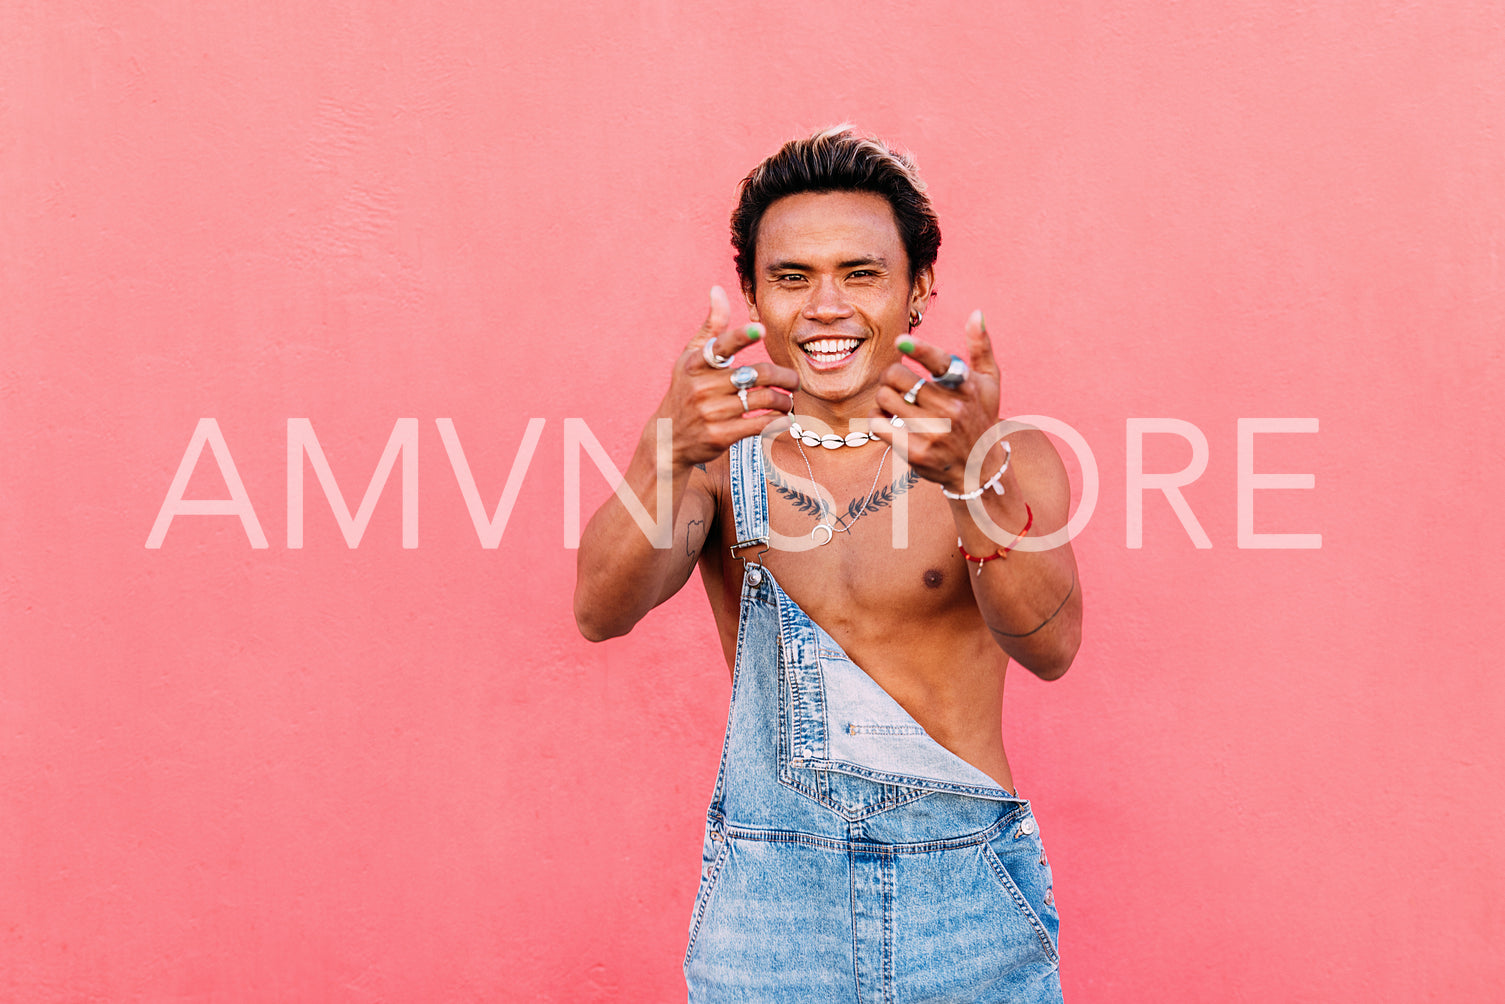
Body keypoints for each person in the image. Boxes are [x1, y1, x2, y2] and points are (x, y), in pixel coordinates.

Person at [574, 126, 1081, 1003]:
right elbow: (599, 610)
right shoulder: (709, 459)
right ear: (752, 296)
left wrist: (968, 487)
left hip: (962, 895)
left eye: (861, 273)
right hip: (767, 909)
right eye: (791, 277)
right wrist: (662, 446)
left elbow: (1052, 647)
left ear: (917, 289)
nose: (825, 308)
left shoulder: (1002, 455)